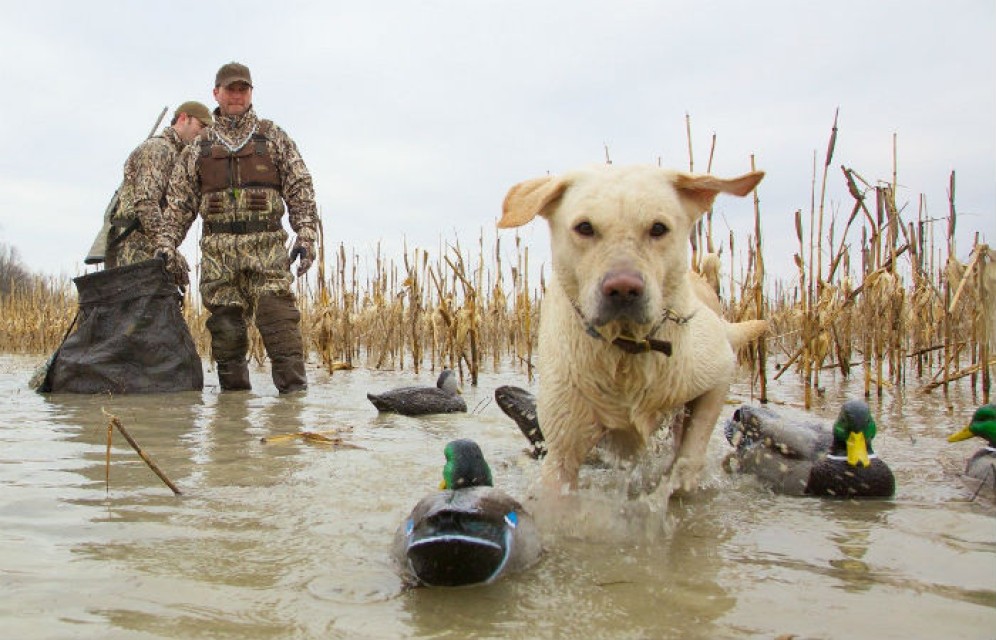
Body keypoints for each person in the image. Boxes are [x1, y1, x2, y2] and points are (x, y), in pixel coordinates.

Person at [155, 62, 320, 394]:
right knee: (226, 335)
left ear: (250, 93)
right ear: (216, 93)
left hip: (267, 249)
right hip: (218, 255)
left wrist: (305, 233)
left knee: (280, 323)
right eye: (230, 89)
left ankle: (293, 409)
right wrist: (166, 244)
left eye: (242, 89)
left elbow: (300, 187)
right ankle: (233, 420)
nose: (236, 95)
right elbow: (178, 204)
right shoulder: (199, 147)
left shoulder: (274, 137)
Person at [106, 101, 212, 268]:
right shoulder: (159, 149)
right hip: (135, 248)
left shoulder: (179, 155)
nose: (203, 133)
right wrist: (166, 246)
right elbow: (146, 203)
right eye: (201, 125)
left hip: (149, 246)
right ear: (183, 118)